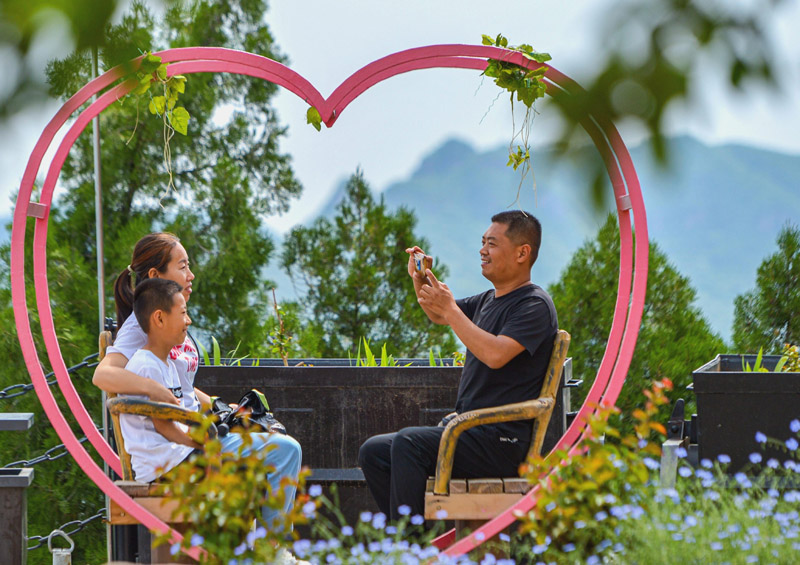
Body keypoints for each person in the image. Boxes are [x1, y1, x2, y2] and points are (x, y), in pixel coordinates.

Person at [358, 210, 558, 520]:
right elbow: (439, 314)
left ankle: (407, 542)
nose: (482, 250)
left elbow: (495, 354)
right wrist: (420, 279)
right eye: (483, 242)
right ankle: (408, 537)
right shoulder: (489, 299)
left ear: (522, 253)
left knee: (409, 443)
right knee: (374, 452)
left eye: (491, 243)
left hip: (502, 442)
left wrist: (451, 310)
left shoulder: (534, 305)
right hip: (469, 434)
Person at [93, 233, 301, 529]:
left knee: (273, 438)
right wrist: (156, 390)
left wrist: (218, 405)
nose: (190, 275)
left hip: (192, 430)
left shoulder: (172, 320)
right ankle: (274, 546)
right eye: (182, 267)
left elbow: (182, 388)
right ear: (155, 276)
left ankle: (267, 543)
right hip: (179, 445)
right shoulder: (142, 328)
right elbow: (103, 374)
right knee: (284, 450)